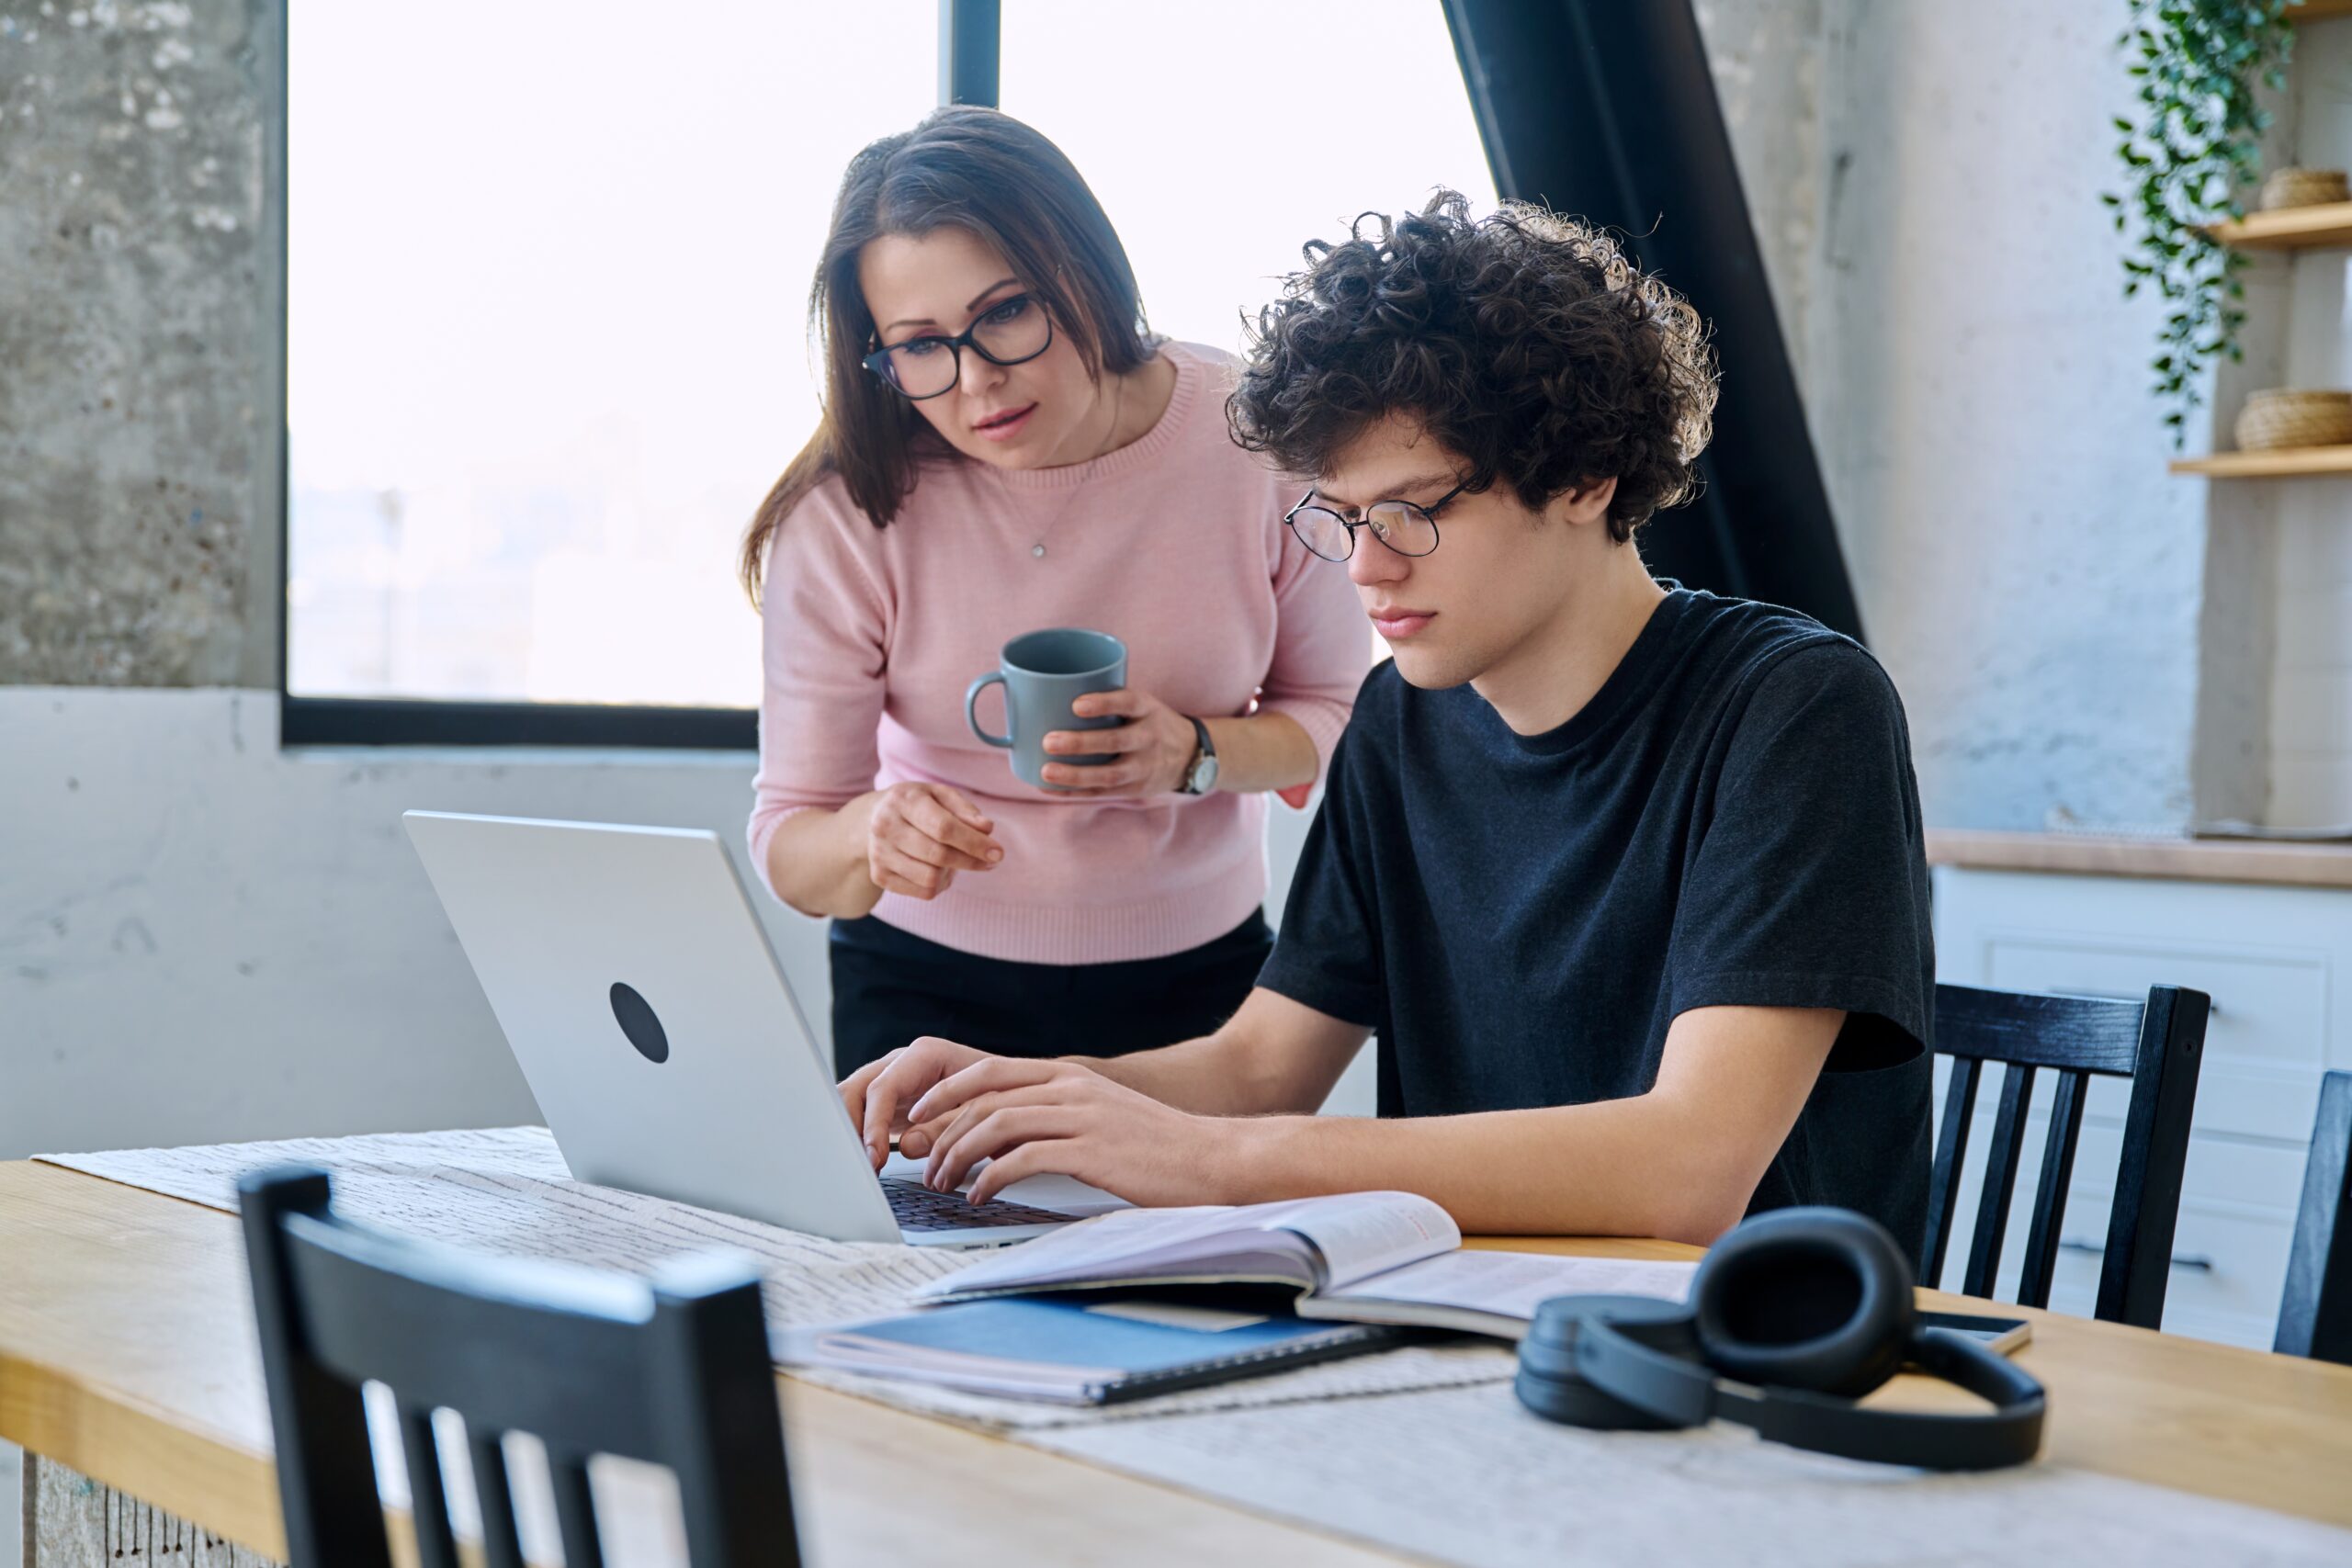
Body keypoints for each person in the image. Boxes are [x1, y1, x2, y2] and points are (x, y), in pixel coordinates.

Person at [841, 192, 1936, 1251]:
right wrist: (1020, 1092)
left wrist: (1219, 1163)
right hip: (1471, 1326)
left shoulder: (1792, 709)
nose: (1366, 567)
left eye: (1415, 510)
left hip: (1748, 1358)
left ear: (1587, 476)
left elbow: (1688, 1168)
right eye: (1344, 517)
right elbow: (1261, 1069)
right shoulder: (1399, 722)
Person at [743, 107, 1364, 1076]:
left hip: (1200, 979)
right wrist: (873, 834)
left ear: (1083, 271)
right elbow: (792, 839)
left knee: (1194, 1235)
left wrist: (1193, 754)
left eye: (1003, 315)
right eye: (919, 346)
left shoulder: (1257, 446)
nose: (977, 382)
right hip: (920, 985)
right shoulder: (849, 516)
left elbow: (1335, 713)